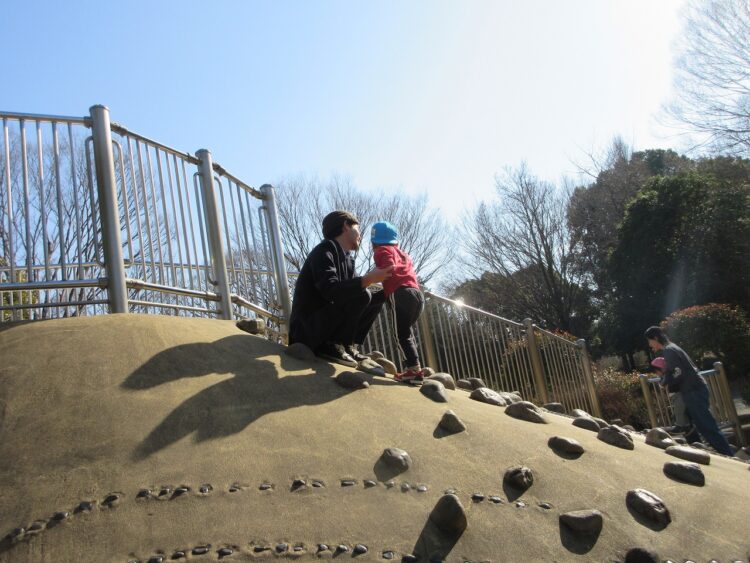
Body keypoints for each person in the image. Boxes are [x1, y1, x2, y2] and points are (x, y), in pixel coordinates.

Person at [289, 210, 392, 367]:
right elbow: (331, 290)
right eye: (358, 229)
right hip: (306, 332)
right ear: (346, 226)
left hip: (325, 327)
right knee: (362, 294)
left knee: (371, 296)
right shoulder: (323, 251)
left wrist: (390, 290)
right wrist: (368, 279)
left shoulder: (348, 259)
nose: (360, 235)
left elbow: (357, 297)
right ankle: (332, 344)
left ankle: (346, 344)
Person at [644, 326, 734, 456]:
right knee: (692, 426)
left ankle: (728, 454)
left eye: (649, 341)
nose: (649, 344)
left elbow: (677, 372)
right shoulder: (672, 348)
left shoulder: (669, 350)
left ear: (655, 338)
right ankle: (702, 451)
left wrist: (663, 382)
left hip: (693, 390)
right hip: (693, 389)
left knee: (706, 425)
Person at [371, 221, 426, 382]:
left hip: (401, 295)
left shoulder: (381, 250)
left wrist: (370, 277)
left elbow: (389, 266)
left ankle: (413, 370)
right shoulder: (403, 254)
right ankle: (415, 368)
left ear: (374, 242)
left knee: (400, 334)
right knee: (406, 332)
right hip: (417, 294)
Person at [650, 357, 696, 438]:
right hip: (675, 396)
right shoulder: (667, 375)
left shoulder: (668, 374)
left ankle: (681, 426)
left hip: (679, 395)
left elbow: (662, 384)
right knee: (680, 413)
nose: (656, 374)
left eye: (656, 371)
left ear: (662, 368)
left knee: (679, 411)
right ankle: (687, 428)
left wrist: (662, 383)